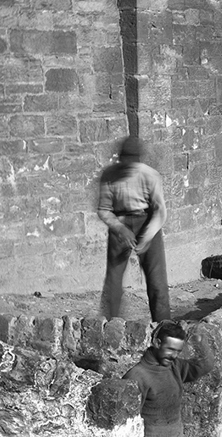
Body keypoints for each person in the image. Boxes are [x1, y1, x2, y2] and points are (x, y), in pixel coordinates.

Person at [97, 136, 170, 322]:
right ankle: (111, 327)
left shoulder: (150, 175)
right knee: (113, 281)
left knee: (157, 282)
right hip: (119, 223)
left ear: (138, 159)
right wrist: (120, 229)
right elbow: (104, 210)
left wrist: (146, 237)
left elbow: (160, 211)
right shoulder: (109, 175)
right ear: (119, 158)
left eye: (132, 159)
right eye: (124, 159)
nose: (127, 163)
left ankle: (163, 327)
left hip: (147, 222)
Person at [123, 320, 214, 437]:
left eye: (178, 351)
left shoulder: (174, 366)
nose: (174, 355)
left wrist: (199, 341)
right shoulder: (136, 377)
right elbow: (127, 420)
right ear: (157, 343)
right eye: (170, 349)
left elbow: (205, 366)